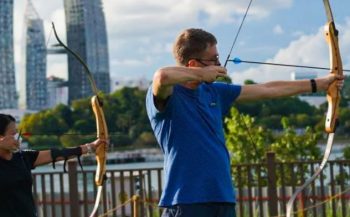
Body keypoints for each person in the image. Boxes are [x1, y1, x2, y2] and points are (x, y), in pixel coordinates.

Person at [145, 28, 343, 217]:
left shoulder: (215, 92)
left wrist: (318, 84)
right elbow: (162, 77)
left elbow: (268, 89)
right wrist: (202, 75)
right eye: (213, 59)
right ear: (193, 64)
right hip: (185, 201)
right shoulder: (169, 95)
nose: (219, 64)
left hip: (222, 198)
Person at [0, 114, 106, 217]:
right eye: (13, 134)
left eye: (17, 133)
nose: (17, 137)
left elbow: (56, 154)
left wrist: (90, 147)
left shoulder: (23, 158)